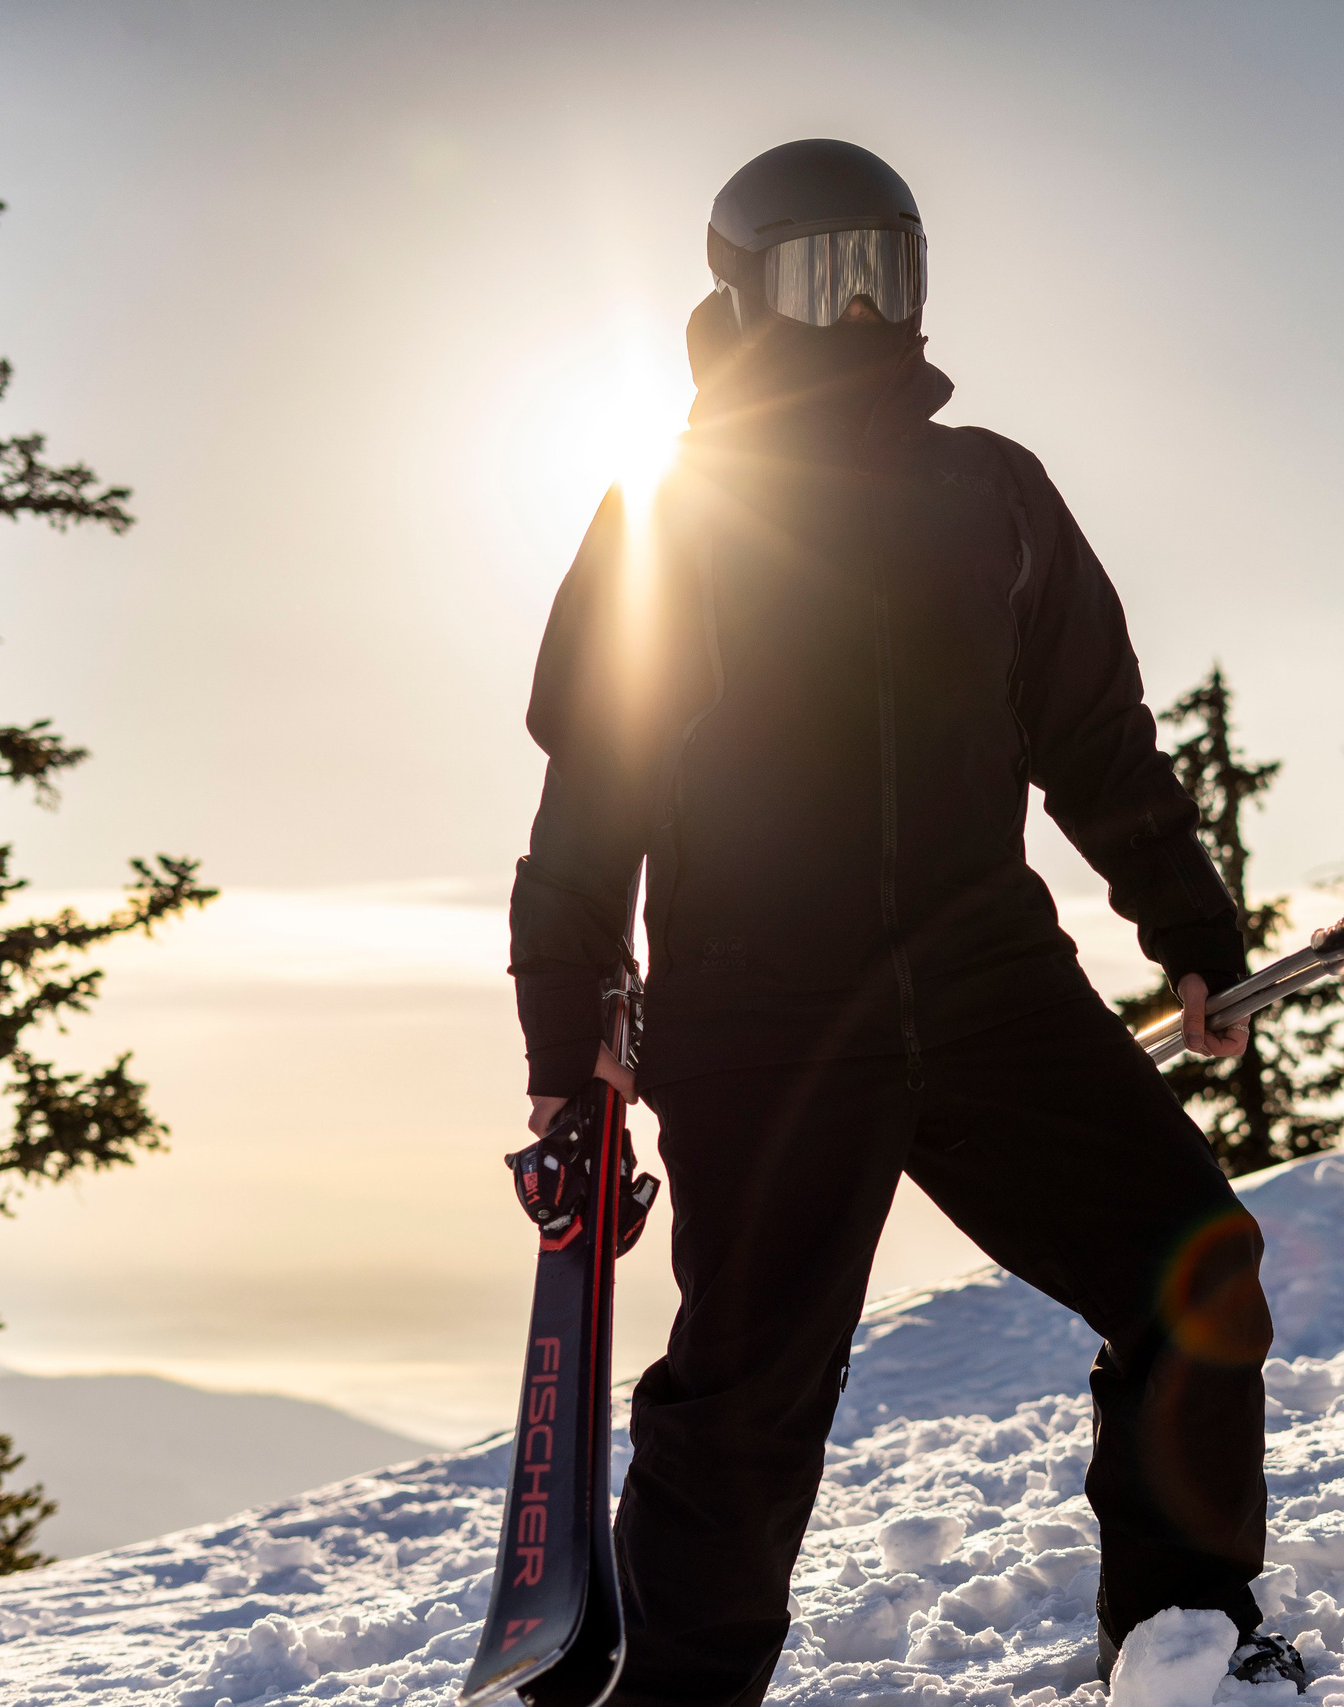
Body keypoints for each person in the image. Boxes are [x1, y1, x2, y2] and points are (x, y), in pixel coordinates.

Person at [511, 138, 1298, 1707]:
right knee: (751, 1391)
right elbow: (590, 795)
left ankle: (1183, 1637)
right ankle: (680, 1686)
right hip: (763, 1004)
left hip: (988, 975)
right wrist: (564, 1021)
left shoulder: (991, 489)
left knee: (1193, 1275)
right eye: (821, 274)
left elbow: (1096, 738)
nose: (862, 306)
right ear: (737, 303)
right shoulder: (673, 513)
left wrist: (1191, 933)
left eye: (890, 267)